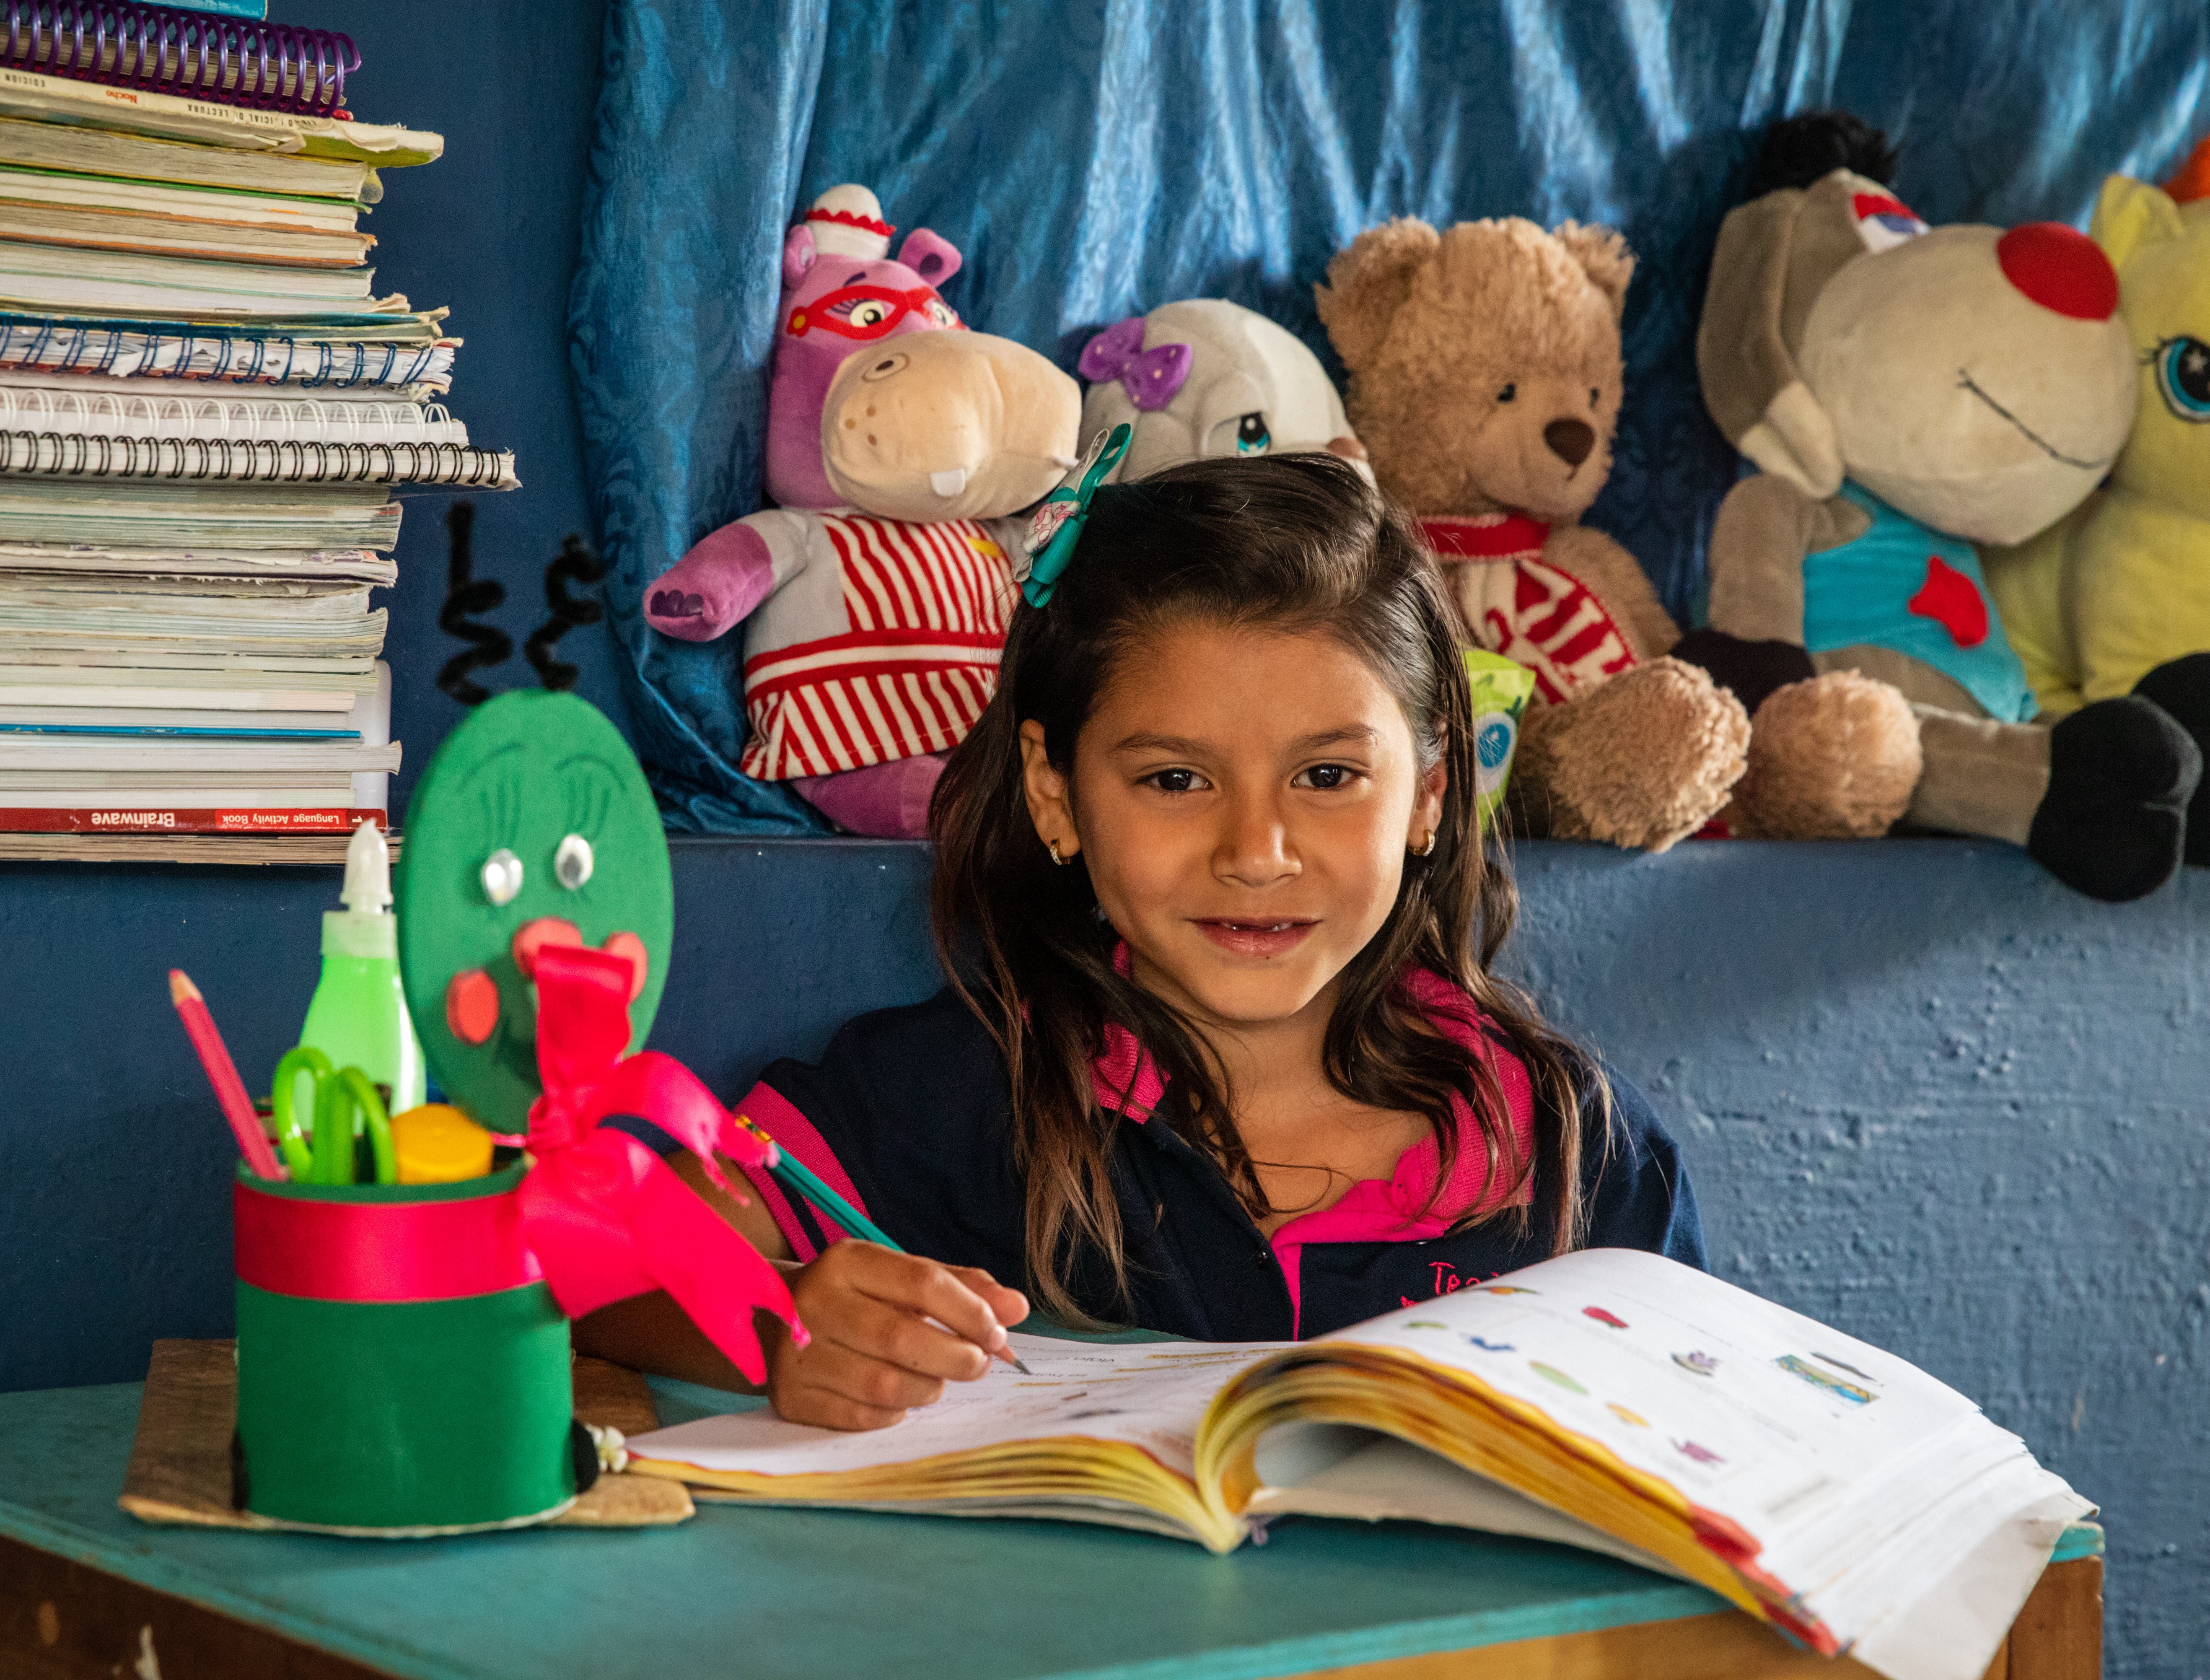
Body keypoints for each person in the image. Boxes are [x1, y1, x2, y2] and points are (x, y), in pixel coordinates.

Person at [576, 454, 1703, 1427]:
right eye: (1174, 779)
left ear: (1429, 798)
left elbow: (1720, 1445)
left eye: (1328, 777)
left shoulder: (1577, 1152)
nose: (1255, 851)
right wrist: (780, 1326)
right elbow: (606, 1266)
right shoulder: (951, 1096)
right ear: (1055, 795)